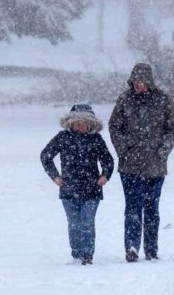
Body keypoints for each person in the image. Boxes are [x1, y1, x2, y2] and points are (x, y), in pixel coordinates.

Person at [109, 63, 174, 262]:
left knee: (151, 210)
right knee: (132, 208)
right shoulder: (124, 99)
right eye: (136, 82)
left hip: (155, 167)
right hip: (129, 165)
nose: (138, 85)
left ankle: (151, 249)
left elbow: (173, 130)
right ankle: (131, 247)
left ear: (149, 81)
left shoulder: (164, 99)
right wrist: (123, 149)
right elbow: (114, 127)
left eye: (142, 81)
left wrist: (162, 152)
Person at [40, 104, 114, 265]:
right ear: (70, 123)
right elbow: (45, 156)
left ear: (91, 124)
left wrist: (105, 175)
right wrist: (55, 176)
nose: (80, 126)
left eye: (83, 122)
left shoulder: (96, 139)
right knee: (74, 224)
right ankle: (77, 252)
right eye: (76, 122)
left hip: (92, 189)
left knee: (87, 221)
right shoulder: (62, 137)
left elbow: (108, 160)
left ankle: (87, 254)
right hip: (68, 189)